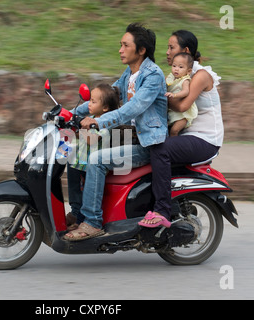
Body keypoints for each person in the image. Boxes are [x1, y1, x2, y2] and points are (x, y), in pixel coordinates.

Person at [64, 23, 168, 241]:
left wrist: (98, 122)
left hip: (148, 144)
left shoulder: (153, 75)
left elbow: (133, 107)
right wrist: (68, 113)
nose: (120, 49)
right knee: (73, 153)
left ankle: (92, 222)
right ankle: (79, 211)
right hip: (128, 137)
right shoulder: (130, 73)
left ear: (141, 50)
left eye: (125, 45)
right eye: (120, 45)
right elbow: (107, 97)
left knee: (96, 159)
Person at [138, 30, 223, 228]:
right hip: (188, 136)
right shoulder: (177, 75)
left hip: (205, 140)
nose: (167, 52)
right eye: (167, 47)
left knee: (161, 149)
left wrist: (158, 99)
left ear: (185, 51)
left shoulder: (201, 75)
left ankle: (162, 211)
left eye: (171, 47)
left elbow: (183, 106)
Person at [66, 84, 120, 231]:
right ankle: (75, 211)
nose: (89, 104)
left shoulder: (105, 123)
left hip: (91, 165)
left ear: (105, 108)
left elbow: (92, 140)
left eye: (93, 102)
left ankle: (81, 219)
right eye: (90, 100)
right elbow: (80, 136)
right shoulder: (89, 118)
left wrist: (82, 128)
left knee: (86, 192)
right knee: (73, 186)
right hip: (79, 162)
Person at [164, 52, 198, 136]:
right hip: (172, 112)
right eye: (174, 66)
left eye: (180, 67)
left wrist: (174, 95)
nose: (176, 69)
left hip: (183, 115)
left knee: (174, 131)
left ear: (188, 71)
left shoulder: (184, 80)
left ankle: (173, 147)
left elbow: (186, 92)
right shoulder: (170, 78)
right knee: (169, 131)